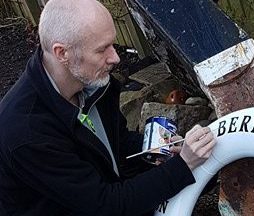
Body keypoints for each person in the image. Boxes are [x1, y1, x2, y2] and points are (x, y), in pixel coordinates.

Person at [0, 0, 216, 215]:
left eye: (112, 44)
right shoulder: (26, 132)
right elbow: (106, 205)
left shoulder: (93, 83)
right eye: (102, 49)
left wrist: (163, 146)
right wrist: (183, 165)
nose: (115, 57)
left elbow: (116, 144)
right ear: (62, 53)